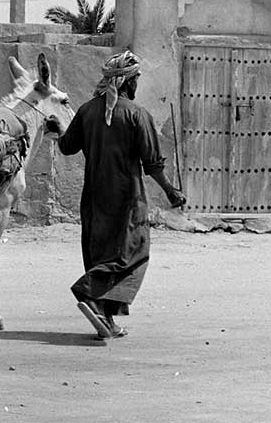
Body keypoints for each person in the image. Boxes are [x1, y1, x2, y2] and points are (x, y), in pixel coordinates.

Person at [57, 51, 187, 339]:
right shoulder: (136, 114)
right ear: (128, 81)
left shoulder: (87, 111)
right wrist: (170, 190)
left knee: (100, 252)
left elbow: (66, 146)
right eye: (137, 78)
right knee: (133, 252)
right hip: (128, 199)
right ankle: (87, 291)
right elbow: (152, 162)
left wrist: (59, 127)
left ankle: (106, 320)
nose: (138, 83)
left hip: (93, 198)